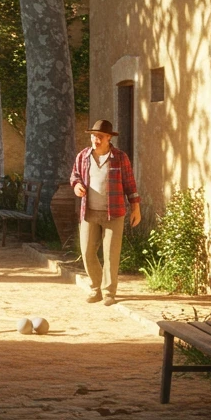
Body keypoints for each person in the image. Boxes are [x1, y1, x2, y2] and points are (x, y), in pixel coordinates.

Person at [69, 119, 141, 307]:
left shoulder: (120, 157)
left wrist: (136, 208)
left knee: (111, 254)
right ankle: (96, 289)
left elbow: (130, 184)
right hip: (89, 212)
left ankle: (109, 292)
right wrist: (76, 185)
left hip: (114, 212)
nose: (96, 139)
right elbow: (75, 175)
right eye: (94, 136)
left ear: (109, 137)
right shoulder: (83, 156)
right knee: (87, 252)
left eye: (100, 136)